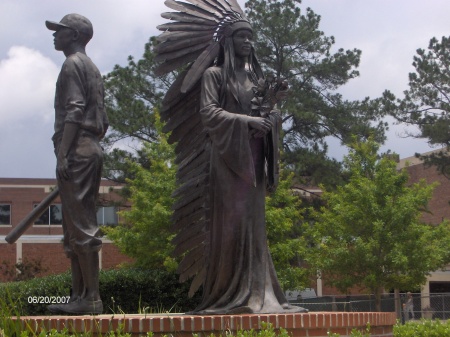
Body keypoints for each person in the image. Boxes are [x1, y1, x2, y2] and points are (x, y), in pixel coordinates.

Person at [193, 20, 303, 314]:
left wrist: (271, 116)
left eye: (251, 37)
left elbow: (271, 115)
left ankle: (259, 291)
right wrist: (247, 122)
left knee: (254, 225)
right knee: (232, 224)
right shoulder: (214, 76)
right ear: (228, 41)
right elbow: (208, 113)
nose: (248, 42)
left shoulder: (257, 80)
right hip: (228, 159)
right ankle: (229, 294)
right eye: (242, 36)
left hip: (253, 160)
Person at [45, 13, 108, 315]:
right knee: (73, 227)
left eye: (60, 31)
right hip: (89, 146)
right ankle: (80, 295)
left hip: (77, 148)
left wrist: (63, 153)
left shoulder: (72, 65)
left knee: (81, 226)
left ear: (75, 35)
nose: (55, 35)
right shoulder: (92, 68)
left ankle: (91, 298)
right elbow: (103, 119)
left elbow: (75, 109)